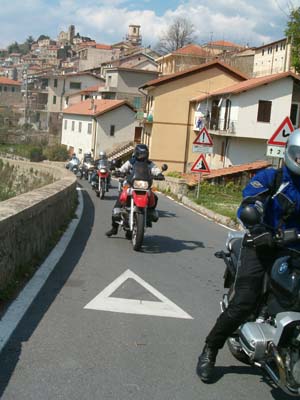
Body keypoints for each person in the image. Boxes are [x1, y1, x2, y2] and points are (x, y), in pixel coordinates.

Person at [196, 128, 300, 383]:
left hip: (293, 249)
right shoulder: (272, 178)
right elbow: (249, 203)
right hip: (262, 244)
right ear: (290, 153)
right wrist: (256, 224)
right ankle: (210, 350)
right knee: (244, 301)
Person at [105, 143, 163, 237]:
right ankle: (114, 228)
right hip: (131, 184)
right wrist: (119, 172)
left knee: (154, 197)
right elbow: (123, 168)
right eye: (140, 154)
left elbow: (155, 169)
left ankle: (150, 213)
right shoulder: (131, 161)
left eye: (144, 154)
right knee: (120, 199)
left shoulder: (149, 163)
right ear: (136, 153)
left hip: (144, 186)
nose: (142, 156)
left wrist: (159, 174)